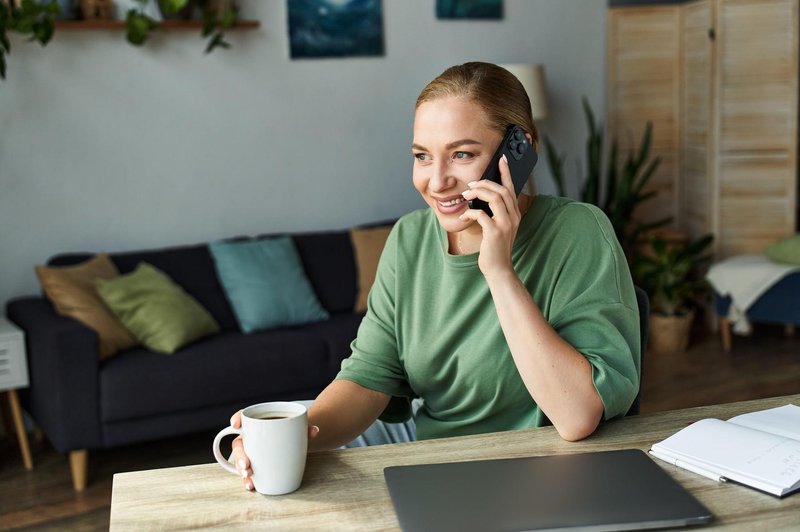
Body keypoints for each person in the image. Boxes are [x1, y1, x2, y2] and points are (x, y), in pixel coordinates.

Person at [231, 62, 641, 491]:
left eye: (462, 154)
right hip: (438, 465)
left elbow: (577, 416)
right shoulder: (408, 238)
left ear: (519, 151)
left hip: (543, 472)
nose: (437, 181)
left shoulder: (578, 231)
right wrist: (291, 435)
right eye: (422, 156)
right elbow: (368, 378)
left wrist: (498, 270)